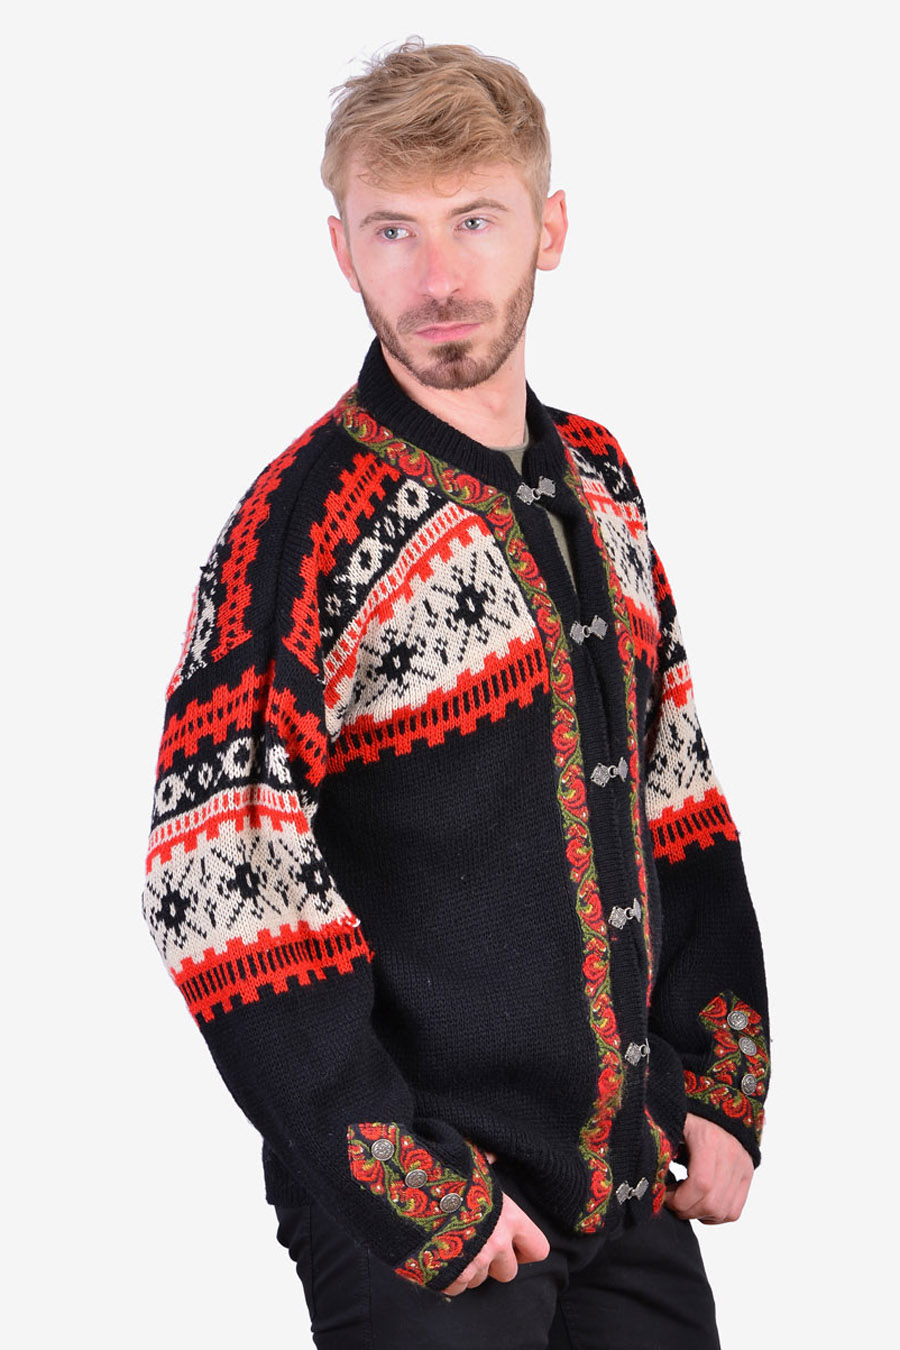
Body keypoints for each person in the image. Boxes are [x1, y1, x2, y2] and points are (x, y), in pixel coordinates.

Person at [142, 39, 769, 1349]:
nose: (437, 278)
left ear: (550, 227)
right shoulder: (302, 527)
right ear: (341, 250)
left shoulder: (598, 479)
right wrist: (403, 1180)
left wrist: (721, 1081)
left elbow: (675, 790)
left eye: (475, 221)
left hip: (624, 1171)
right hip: (424, 1203)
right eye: (395, 230)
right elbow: (217, 871)